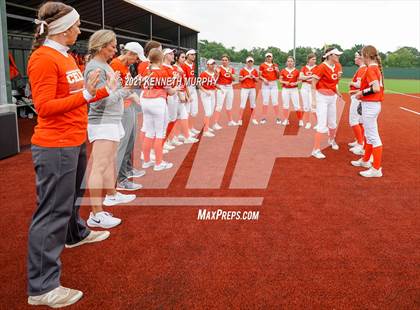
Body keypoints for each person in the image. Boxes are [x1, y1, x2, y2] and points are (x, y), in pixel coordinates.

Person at [26, 2, 112, 307]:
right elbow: (45, 107)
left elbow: (75, 97)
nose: (79, 29)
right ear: (62, 29)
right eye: (75, 25)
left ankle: (75, 233)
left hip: (72, 140)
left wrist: (101, 91)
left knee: (71, 199)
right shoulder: (43, 59)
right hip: (56, 144)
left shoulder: (63, 56)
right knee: (51, 212)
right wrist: (89, 94)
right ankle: (42, 287)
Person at [85, 30, 136, 228]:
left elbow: (110, 95)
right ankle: (96, 213)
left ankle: (112, 195)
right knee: (99, 165)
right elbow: (98, 102)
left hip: (111, 120)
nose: (115, 50)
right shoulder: (95, 68)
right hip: (103, 121)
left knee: (107, 164)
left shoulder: (103, 65)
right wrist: (125, 90)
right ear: (101, 45)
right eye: (112, 46)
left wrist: (123, 90)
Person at [111, 42, 147, 192]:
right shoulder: (116, 64)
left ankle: (127, 170)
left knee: (130, 141)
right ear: (130, 53)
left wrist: (135, 84)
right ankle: (120, 179)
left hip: (128, 105)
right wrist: (133, 92)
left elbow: (127, 86)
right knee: (123, 143)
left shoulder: (124, 66)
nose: (137, 61)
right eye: (136, 58)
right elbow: (117, 89)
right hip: (122, 107)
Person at [141, 48, 178, 171]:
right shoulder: (162, 72)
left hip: (145, 100)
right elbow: (171, 92)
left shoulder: (146, 70)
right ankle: (158, 163)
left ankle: (146, 160)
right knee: (160, 133)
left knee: (149, 132)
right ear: (161, 59)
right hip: (157, 102)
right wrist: (177, 87)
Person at [351, 45, 384, 178]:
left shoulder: (371, 68)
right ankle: (366, 160)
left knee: (373, 137)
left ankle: (376, 169)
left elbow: (375, 88)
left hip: (370, 105)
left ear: (365, 55)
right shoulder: (375, 67)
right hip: (372, 105)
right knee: (370, 136)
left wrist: (361, 93)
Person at [310, 47, 343, 159]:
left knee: (333, 122)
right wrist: (314, 100)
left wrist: (337, 92)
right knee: (322, 124)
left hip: (332, 97)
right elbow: (313, 83)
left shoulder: (338, 66)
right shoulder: (322, 67)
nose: (339, 56)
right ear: (329, 55)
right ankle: (316, 149)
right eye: (336, 55)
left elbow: (334, 83)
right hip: (322, 97)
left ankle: (331, 140)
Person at [167, 50, 199, 146]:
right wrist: (181, 93)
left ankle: (183, 136)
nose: (184, 59)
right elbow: (174, 84)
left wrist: (186, 94)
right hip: (173, 95)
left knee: (182, 115)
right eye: (182, 57)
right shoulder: (174, 68)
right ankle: (171, 138)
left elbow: (183, 83)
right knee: (172, 118)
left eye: (184, 57)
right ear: (177, 58)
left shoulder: (180, 68)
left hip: (179, 93)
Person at [347, 51, 368, 155]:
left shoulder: (363, 68)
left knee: (353, 120)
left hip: (357, 97)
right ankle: (360, 141)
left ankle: (360, 143)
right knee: (359, 121)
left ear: (361, 58)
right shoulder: (362, 68)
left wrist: (351, 83)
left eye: (356, 57)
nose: (355, 59)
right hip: (358, 97)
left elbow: (359, 84)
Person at [199, 59, 222, 137]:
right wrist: (205, 91)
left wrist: (220, 88)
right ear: (207, 65)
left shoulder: (214, 74)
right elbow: (199, 85)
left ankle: (207, 127)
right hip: (206, 94)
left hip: (212, 93)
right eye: (211, 64)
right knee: (208, 112)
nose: (213, 65)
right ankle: (205, 131)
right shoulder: (203, 74)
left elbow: (214, 84)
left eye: (214, 64)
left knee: (211, 112)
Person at [213, 54, 238, 129]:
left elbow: (234, 79)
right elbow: (214, 78)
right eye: (223, 60)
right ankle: (215, 123)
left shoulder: (231, 69)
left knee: (229, 105)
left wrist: (230, 73)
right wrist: (217, 73)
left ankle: (230, 121)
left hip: (229, 87)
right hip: (221, 87)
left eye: (226, 60)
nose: (224, 61)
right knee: (219, 106)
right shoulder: (219, 68)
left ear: (229, 61)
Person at [279, 56, 302, 126]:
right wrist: (285, 82)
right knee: (285, 105)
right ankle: (286, 120)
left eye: (291, 61)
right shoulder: (283, 70)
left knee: (297, 106)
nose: (290, 62)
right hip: (285, 89)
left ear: (294, 62)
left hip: (294, 89)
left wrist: (295, 83)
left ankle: (300, 120)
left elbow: (300, 80)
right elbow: (280, 80)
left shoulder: (297, 71)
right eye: (288, 61)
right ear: (286, 62)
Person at [182, 49, 200, 135]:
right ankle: (185, 130)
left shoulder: (192, 64)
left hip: (193, 87)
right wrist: (187, 93)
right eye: (192, 54)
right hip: (187, 88)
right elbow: (184, 81)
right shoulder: (184, 65)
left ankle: (191, 127)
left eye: (194, 55)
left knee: (195, 110)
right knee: (187, 111)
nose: (194, 56)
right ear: (187, 55)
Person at [259, 52, 280, 124]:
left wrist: (277, 71)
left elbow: (278, 76)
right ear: (266, 58)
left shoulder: (275, 65)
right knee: (265, 101)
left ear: (272, 57)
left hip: (274, 84)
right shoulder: (262, 65)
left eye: (270, 57)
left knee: (275, 101)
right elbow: (260, 76)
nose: (269, 58)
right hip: (266, 84)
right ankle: (264, 117)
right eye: (267, 57)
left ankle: (278, 118)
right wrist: (264, 79)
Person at [238, 56, 259, 125]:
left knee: (253, 104)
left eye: (251, 62)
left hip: (252, 89)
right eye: (248, 62)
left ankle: (254, 118)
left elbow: (257, 80)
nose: (250, 63)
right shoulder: (243, 70)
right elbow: (240, 80)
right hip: (245, 89)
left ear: (253, 62)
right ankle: (240, 119)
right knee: (242, 104)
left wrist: (253, 77)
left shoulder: (255, 70)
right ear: (246, 62)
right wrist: (246, 77)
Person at [299, 53, 317, 129]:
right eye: (313, 59)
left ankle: (318, 123)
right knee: (306, 106)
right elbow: (300, 77)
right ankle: (308, 122)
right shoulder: (304, 68)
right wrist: (310, 76)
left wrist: (306, 77)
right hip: (304, 87)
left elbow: (316, 78)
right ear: (309, 60)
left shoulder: (317, 67)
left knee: (313, 106)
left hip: (313, 87)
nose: (314, 60)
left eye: (315, 59)